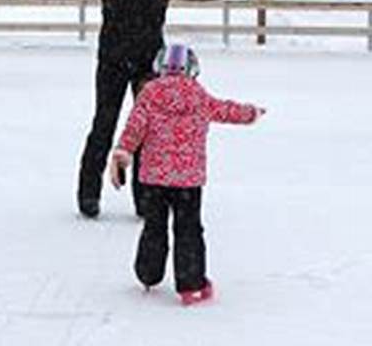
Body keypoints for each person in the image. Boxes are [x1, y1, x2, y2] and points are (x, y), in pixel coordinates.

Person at [0, 0, 265, 219]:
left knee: (147, 129)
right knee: (102, 127)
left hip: (149, 65)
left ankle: (144, 199)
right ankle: (88, 195)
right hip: (113, 62)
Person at [109, 44, 263, 305]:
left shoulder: (149, 94)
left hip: (154, 179)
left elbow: (135, 127)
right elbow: (225, 110)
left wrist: (123, 151)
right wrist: (251, 113)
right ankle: (191, 285)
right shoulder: (198, 95)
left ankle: (148, 273)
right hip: (188, 182)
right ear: (191, 69)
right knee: (189, 229)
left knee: (154, 227)